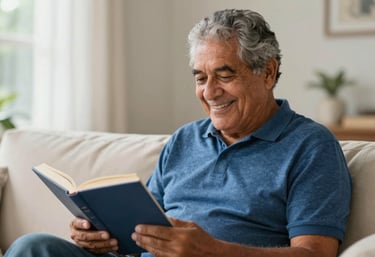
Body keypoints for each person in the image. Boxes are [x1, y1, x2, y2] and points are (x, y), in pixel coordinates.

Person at [4, 9, 351, 257]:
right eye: (200, 77)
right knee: (32, 247)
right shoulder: (185, 140)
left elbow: (315, 254)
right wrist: (103, 236)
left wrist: (214, 252)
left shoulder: (311, 146)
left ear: (268, 73)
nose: (210, 92)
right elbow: (146, 229)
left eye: (224, 75)